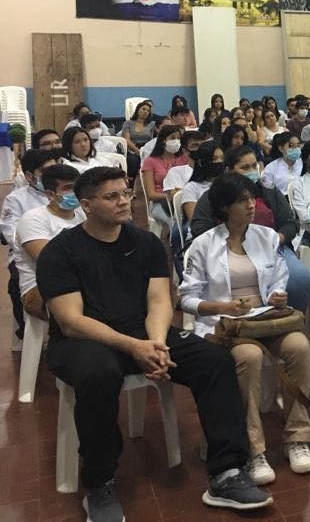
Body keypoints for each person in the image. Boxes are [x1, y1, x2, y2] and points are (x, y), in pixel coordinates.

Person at [37, 167, 273, 517]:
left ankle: (227, 471)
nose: (123, 202)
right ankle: (99, 483)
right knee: (98, 374)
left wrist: (157, 343)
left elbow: (159, 300)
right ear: (86, 205)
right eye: (111, 196)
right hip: (87, 340)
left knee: (214, 361)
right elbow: (71, 322)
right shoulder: (61, 252)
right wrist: (135, 347)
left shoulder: (144, 242)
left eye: (126, 194)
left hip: (145, 332)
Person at [180, 173, 310, 484]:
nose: (251, 205)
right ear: (224, 207)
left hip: (266, 318)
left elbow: (279, 277)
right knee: (249, 358)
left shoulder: (266, 237)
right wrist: (222, 307)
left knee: (298, 346)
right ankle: (254, 449)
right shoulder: (203, 245)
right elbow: (186, 299)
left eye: (252, 199)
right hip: (229, 326)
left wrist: (276, 295)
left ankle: (297, 437)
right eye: (242, 201)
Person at [190, 146, 310, 314]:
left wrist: (275, 239)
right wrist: (226, 240)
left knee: (299, 278)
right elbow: (199, 227)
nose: (252, 171)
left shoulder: (269, 193)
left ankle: (293, 318)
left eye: (254, 166)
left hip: (274, 247)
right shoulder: (213, 197)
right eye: (245, 167)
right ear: (229, 170)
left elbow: (290, 223)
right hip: (228, 248)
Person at [13, 164, 86, 323]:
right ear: (50, 194)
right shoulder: (33, 219)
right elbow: (50, 261)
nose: (75, 193)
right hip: (39, 287)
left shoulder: (83, 215)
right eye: (68, 188)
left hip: (83, 277)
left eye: (77, 187)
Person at [1, 149, 57, 337]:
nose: (53, 175)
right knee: (16, 282)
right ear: (29, 176)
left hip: (67, 258)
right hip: (29, 258)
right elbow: (13, 235)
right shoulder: (16, 200)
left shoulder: (66, 196)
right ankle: (25, 329)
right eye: (47, 172)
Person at [141, 124, 190, 230]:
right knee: (176, 225)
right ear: (163, 140)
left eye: (179, 138)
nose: (176, 141)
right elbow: (151, 194)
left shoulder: (185, 159)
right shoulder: (150, 161)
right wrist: (171, 195)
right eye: (173, 138)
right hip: (162, 202)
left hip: (185, 200)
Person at [261, 132, 303, 196]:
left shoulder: (303, 164)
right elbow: (269, 193)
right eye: (291, 146)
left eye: (298, 145)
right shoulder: (271, 168)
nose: (296, 149)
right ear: (281, 148)